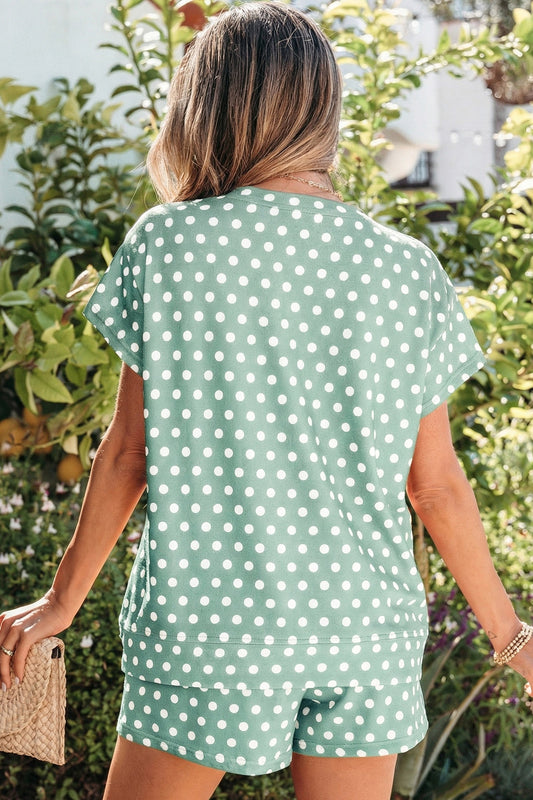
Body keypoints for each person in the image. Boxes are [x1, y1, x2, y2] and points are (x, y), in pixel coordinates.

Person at [1, 3, 531, 799]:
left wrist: (59, 601)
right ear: (322, 112)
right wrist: (511, 635)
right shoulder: (406, 268)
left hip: (213, 627)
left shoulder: (170, 245)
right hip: (364, 632)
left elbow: (129, 454)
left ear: (206, 106)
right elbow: (435, 487)